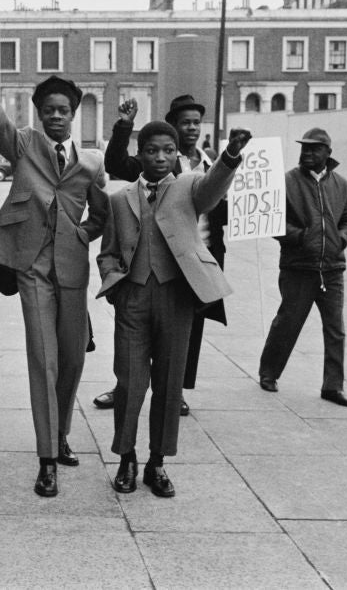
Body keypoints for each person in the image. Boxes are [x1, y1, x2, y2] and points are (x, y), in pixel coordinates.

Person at [0, 32, 108, 498]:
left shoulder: (92, 163)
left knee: (70, 359)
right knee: (42, 359)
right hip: (30, 267)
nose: (56, 116)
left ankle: (61, 433)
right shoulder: (22, 145)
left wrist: (85, 234)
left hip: (72, 270)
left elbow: (103, 213)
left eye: (63, 110)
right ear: (39, 115)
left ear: (74, 113)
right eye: (49, 110)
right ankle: (47, 458)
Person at [97, 121, 251, 498]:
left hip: (176, 298)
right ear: (140, 153)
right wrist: (115, 286)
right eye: (152, 150)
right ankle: (126, 458)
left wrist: (230, 156)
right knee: (130, 381)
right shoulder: (119, 199)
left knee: (169, 383)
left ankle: (158, 462)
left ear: (176, 152)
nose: (161, 157)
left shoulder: (189, 186)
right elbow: (107, 252)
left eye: (168, 150)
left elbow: (214, 186)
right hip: (132, 300)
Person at [94, 95, 228, 417]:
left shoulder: (211, 161)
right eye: (185, 123)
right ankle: (127, 386)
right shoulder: (163, 157)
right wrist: (125, 126)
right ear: (174, 128)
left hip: (201, 255)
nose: (192, 128)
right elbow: (116, 164)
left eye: (197, 122)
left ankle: (175, 389)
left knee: (188, 331)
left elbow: (218, 200)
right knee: (136, 338)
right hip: (156, 260)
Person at [258, 128, 347, 407]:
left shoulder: (342, 186)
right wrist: (301, 237)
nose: (307, 153)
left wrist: (342, 239)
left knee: (335, 329)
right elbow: (272, 219)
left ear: (328, 152)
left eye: (314, 148)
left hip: (332, 268)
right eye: (304, 148)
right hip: (298, 267)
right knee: (288, 322)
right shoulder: (286, 182)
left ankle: (332, 386)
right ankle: (268, 373)